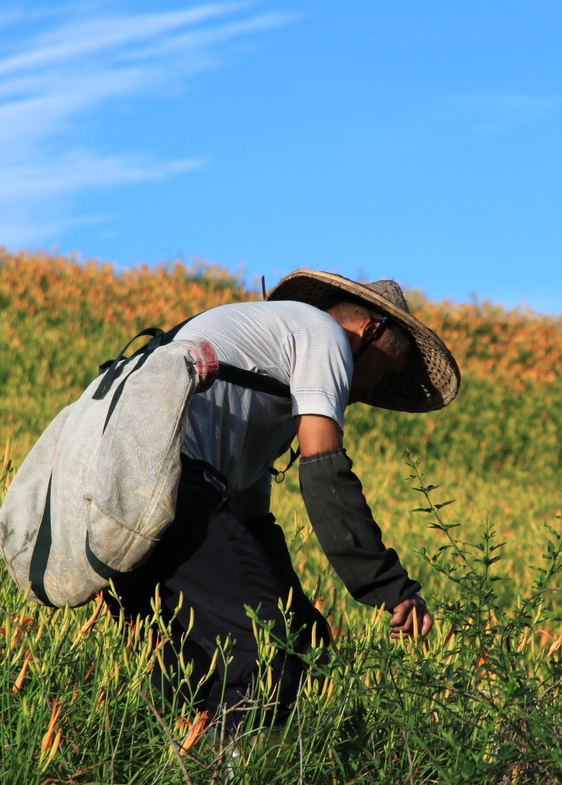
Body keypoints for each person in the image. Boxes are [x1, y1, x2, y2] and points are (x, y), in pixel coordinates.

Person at [103, 269, 461, 732]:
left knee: (203, 662)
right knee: (266, 647)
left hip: (122, 489)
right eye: (385, 372)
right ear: (371, 330)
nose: (372, 393)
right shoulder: (322, 334)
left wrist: (302, 615)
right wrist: (389, 588)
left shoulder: (270, 366)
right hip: (169, 480)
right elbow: (325, 471)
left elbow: (249, 519)